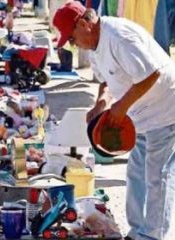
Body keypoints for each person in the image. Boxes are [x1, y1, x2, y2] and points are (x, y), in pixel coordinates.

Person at [53, 2, 175, 240]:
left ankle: (152, 235)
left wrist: (120, 107)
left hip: (165, 111)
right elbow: (106, 81)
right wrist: (101, 103)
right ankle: (137, 230)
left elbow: (152, 74)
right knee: (136, 174)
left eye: (71, 38)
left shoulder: (118, 37)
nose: (73, 44)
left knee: (157, 175)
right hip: (140, 116)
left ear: (83, 24)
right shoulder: (95, 44)